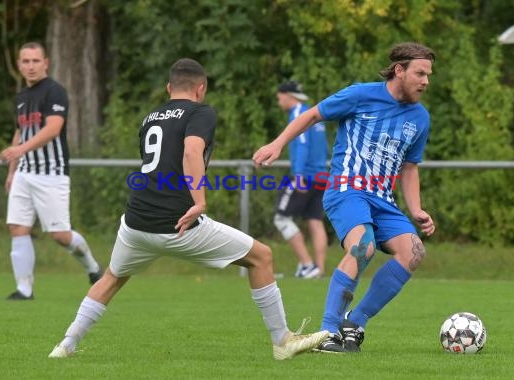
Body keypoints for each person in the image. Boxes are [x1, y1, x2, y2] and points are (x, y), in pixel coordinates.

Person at [48, 58, 328, 360]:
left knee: (112, 278)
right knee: (262, 257)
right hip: (178, 223)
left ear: (169, 88)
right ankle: (282, 341)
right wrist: (199, 202)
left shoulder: (150, 117)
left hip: (136, 223)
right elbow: (191, 151)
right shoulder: (201, 111)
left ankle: (65, 345)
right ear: (201, 88)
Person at [253, 42, 436, 353]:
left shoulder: (419, 118)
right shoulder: (360, 95)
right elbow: (312, 115)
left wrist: (416, 209)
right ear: (399, 70)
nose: (426, 81)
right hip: (346, 189)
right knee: (362, 246)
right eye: (420, 73)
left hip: (383, 200)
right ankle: (328, 332)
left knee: (414, 252)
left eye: (429, 75)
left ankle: (355, 321)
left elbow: (409, 167)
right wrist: (278, 143)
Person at [0, 42, 102, 300]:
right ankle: (24, 290)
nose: (30, 66)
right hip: (24, 172)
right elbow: (20, 132)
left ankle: (92, 267)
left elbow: (53, 128)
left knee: (60, 235)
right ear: (19, 64)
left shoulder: (55, 92)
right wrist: (13, 171)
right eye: (25, 61)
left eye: (35, 61)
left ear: (46, 62)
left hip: (51, 173)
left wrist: (20, 150)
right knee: (18, 228)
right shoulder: (21, 98)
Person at [275, 81, 329, 278]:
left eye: (279, 97)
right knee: (314, 220)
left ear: (289, 96)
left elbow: (303, 144)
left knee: (281, 218)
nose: (278, 101)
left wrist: (298, 175)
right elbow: (324, 149)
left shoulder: (299, 114)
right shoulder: (316, 116)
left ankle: (307, 265)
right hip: (321, 175)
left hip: (304, 175)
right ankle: (319, 271)